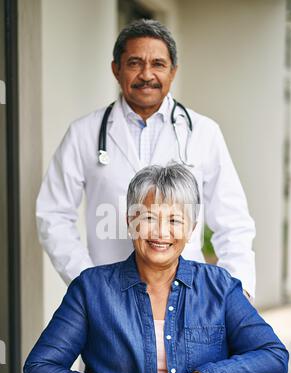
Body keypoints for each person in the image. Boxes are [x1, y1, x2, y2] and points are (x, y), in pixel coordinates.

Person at [25, 164, 288, 373]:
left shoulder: (219, 288)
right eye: (149, 217)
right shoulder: (92, 289)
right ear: (130, 221)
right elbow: (38, 369)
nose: (161, 232)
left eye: (175, 220)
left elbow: (274, 356)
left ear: (191, 229)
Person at [36, 19, 256, 298]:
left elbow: (233, 220)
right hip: (109, 295)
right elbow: (53, 213)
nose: (146, 74)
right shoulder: (84, 133)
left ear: (173, 72)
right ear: (116, 69)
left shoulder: (203, 132)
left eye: (158, 64)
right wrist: (86, 279)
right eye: (135, 63)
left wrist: (238, 289)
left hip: (187, 295)